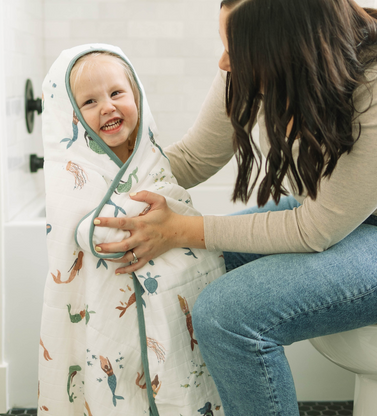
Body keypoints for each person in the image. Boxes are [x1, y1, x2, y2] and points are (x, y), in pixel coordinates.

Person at [91, 0, 377, 415]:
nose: (224, 61)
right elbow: (194, 157)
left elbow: (314, 230)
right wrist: (105, 183)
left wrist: (181, 228)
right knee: (194, 261)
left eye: (237, 49)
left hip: (349, 228)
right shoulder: (254, 64)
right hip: (337, 217)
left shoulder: (371, 83)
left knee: (226, 315)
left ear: (291, 47)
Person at [39, 44, 225, 416]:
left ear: (136, 96)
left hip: (165, 305)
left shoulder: (150, 156)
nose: (107, 106)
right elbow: (86, 228)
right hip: (105, 306)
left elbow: (174, 198)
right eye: (89, 102)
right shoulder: (73, 171)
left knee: (167, 382)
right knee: (119, 387)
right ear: (71, 118)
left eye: (116, 93)